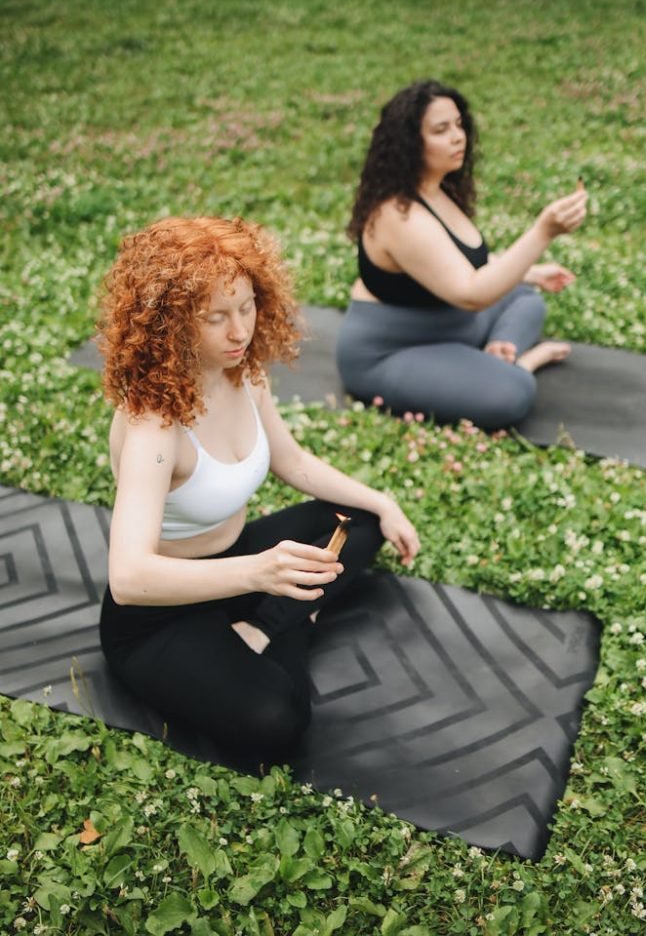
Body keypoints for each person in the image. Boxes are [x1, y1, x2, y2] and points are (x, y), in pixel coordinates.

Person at [97, 216, 418, 769]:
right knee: (278, 723)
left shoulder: (244, 373)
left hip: (240, 563)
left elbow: (293, 461)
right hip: (160, 613)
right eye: (215, 318)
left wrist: (382, 501)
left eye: (245, 307)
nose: (239, 331)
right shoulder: (154, 420)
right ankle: (290, 619)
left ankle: (265, 625)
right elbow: (128, 580)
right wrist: (260, 575)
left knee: (357, 519)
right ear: (169, 324)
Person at [336, 79, 588, 429]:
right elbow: (471, 293)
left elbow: (460, 264)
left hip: (453, 325)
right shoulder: (399, 215)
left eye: (458, 125)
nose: (458, 136)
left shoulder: (438, 189)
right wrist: (543, 232)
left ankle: (499, 348)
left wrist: (530, 272)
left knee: (527, 297)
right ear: (410, 144)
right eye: (441, 130)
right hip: (392, 351)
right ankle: (518, 365)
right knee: (514, 393)